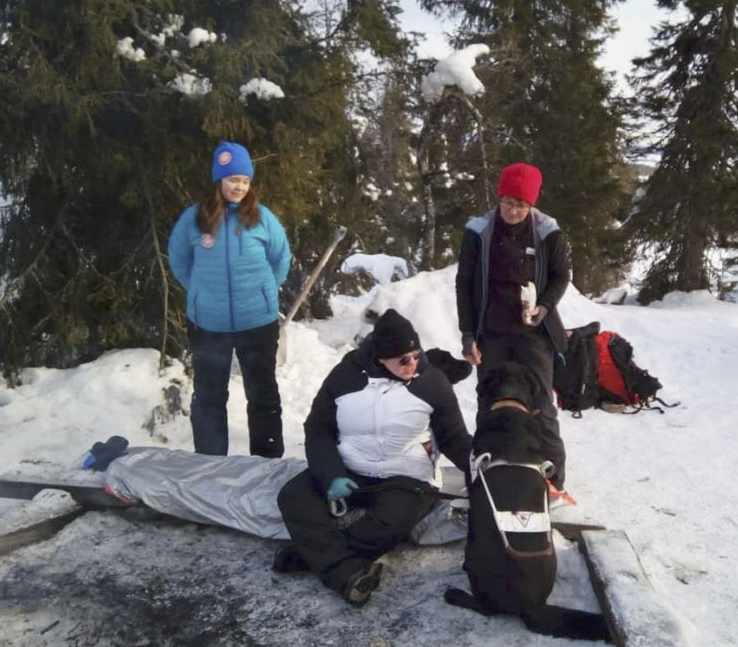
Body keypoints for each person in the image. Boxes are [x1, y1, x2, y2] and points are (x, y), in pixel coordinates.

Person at [276, 309, 473, 607]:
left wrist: (487, 466)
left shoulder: (432, 383)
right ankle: (346, 570)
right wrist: (331, 475)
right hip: (350, 470)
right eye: (403, 359)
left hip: (406, 477)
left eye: (416, 355)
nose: (412, 364)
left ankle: (317, 561)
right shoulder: (344, 377)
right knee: (293, 497)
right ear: (380, 357)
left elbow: (455, 438)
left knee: (393, 522)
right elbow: (318, 428)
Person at [167, 141, 291, 458]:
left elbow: (281, 259)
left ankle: (266, 465)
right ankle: (210, 465)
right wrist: (201, 293)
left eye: (245, 181)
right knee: (209, 397)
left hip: (258, 323)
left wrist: (264, 292)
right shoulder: (194, 219)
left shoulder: (263, 218)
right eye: (232, 179)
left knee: (263, 395)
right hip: (208, 325)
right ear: (219, 180)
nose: (238, 186)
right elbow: (179, 260)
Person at [455, 161, 570, 487]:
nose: (514, 210)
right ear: (498, 197)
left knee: (541, 406)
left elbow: (562, 276)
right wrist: (467, 334)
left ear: (531, 204)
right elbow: (464, 283)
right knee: (488, 401)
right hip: (489, 330)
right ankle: (485, 474)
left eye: (521, 204)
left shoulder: (548, 231)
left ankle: (552, 482)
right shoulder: (478, 231)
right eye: (508, 202)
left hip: (533, 332)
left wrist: (544, 308)